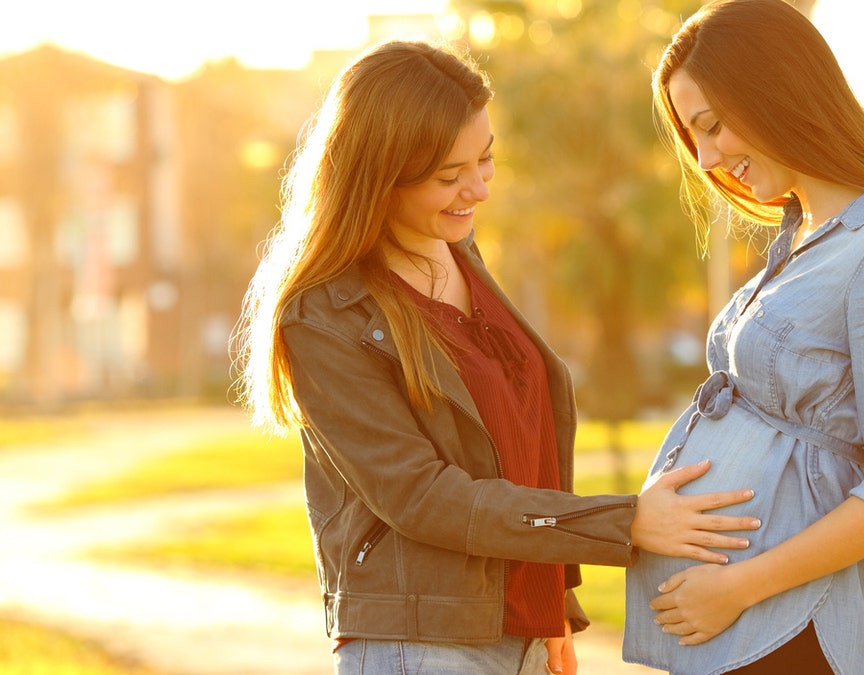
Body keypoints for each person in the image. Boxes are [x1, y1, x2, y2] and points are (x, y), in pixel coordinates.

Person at [232, 40, 762, 675]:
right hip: (422, 645)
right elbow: (423, 496)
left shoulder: (455, 251)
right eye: (449, 176)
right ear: (378, 175)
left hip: (523, 638)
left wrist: (554, 606)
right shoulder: (324, 315)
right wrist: (624, 522)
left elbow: (520, 439)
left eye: (485, 161)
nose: (478, 189)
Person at [622, 1, 864, 673]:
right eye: (694, 135)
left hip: (790, 627)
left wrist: (733, 587)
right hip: (743, 631)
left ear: (776, 92)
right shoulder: (803, 237)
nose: (705, 157)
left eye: (713, 126)